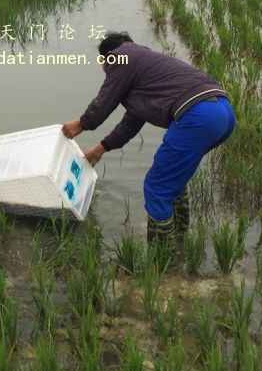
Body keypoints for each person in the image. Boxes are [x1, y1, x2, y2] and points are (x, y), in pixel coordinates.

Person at [62, 32, 235, 245]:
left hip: (197, 115)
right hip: (223, 112)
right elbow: (131, 123)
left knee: (157, 188)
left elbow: (105, 100)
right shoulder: (147, 69)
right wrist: (101, 149)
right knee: (173, 181)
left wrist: (81, 124)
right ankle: (180, 241)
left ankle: (162, 257)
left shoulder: (122, 55)